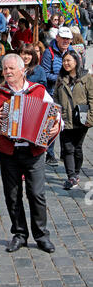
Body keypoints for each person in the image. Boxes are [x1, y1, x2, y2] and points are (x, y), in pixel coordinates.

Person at [0, 54, 60, 254]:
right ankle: (20, 234)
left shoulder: (38, 91)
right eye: (5, 69)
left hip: (34, 151)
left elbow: (56, 116)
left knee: (37, 194)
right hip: (9, 151)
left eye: (11, 68)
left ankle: (41, 235)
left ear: (23, 70)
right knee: (12, 195)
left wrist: (55, 127)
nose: (7, 72)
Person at [54, 51, 93, 189]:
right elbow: (56, 98)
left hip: (82, 119)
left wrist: (90, 118)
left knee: (77, 148)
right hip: (65, 119)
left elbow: (92, 99)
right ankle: (71, 177)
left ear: (76, 61)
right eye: (64, 60)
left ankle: (76, 172)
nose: (66, 63)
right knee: (67, 148)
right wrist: (57, 113)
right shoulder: (60, 79)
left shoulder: (86, 78)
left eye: (69, 60)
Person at [40, 27, 73, 166]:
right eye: (63, 38)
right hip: (53, 93)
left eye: (68, 39)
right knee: (52, 123)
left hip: (68, 93)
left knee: (66, 123)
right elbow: (45, 73)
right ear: (57, 38)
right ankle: (50, 154)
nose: (65, 41)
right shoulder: (49, 53)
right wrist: (62, 78)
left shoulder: (71, 52)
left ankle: (66, 153)